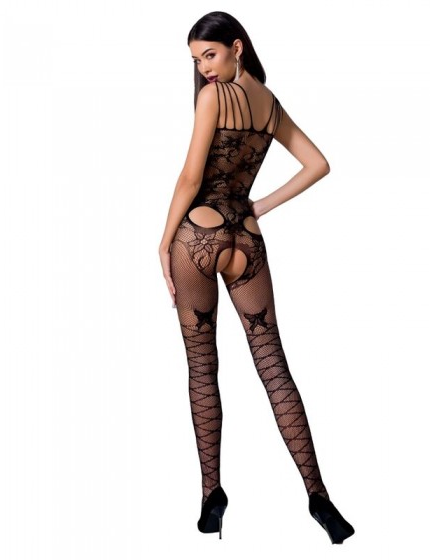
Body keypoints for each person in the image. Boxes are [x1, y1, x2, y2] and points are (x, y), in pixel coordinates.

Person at [158, 11, 355, 544]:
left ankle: (212, 497)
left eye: (210, 54)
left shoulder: (212, 98)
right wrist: (258, 206)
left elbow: (191, 177)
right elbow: (317, 164)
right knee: (274, 367)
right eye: (196, 60)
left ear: (237, 46)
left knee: (203, 369)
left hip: (197, 238)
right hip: (247, 242)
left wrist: (163, 241)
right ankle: (320, 499)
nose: (204, 68)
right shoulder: (269, 103)